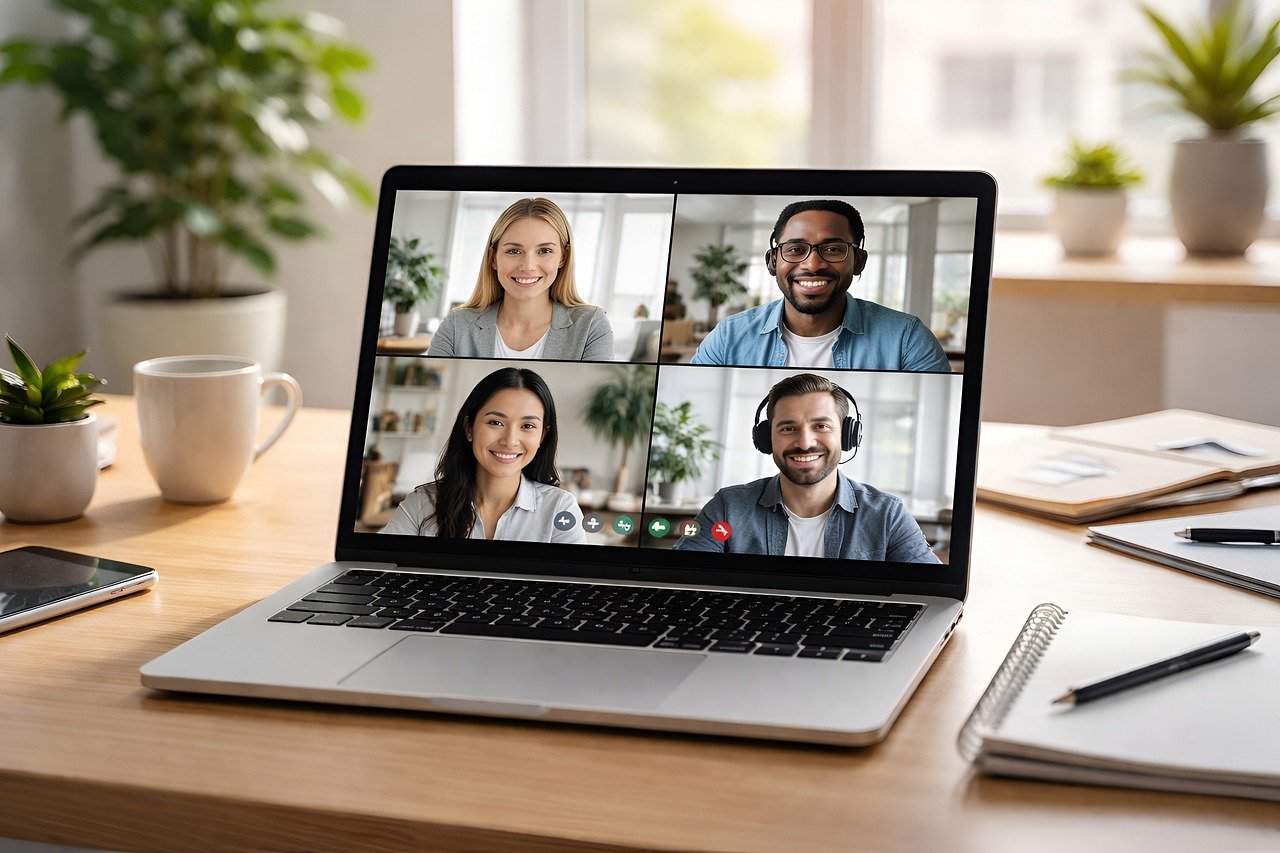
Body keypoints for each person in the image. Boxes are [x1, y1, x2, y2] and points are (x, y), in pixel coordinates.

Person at [673, 373, 939, 562]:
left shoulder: (886, 515)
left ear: (847, 435)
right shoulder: (728, 507)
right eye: (788, 428)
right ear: (766, 438)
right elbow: (678, 579)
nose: (804, 443)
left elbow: (933, 593)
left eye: (821, 426)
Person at [689, 200, 950, 372]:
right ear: (772, 261)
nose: (813, 264)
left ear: (858, 261)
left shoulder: (907, 339)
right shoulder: (729, 337)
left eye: (833, 249)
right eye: (795, 249)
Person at [381, 367, 586, 543]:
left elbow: (572, 581)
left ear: (542, 436)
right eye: (495, 422)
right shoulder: (421, 504)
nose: (510, 440)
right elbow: (384, 571)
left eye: (528, 426)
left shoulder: (560, 508)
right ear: (469, 428)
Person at [428, 198, 614, 360]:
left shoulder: (591, 325)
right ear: (493, 258)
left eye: (544, 251)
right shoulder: (456, 325)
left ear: (563, 257)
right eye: (514, 251)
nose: (528, 266)